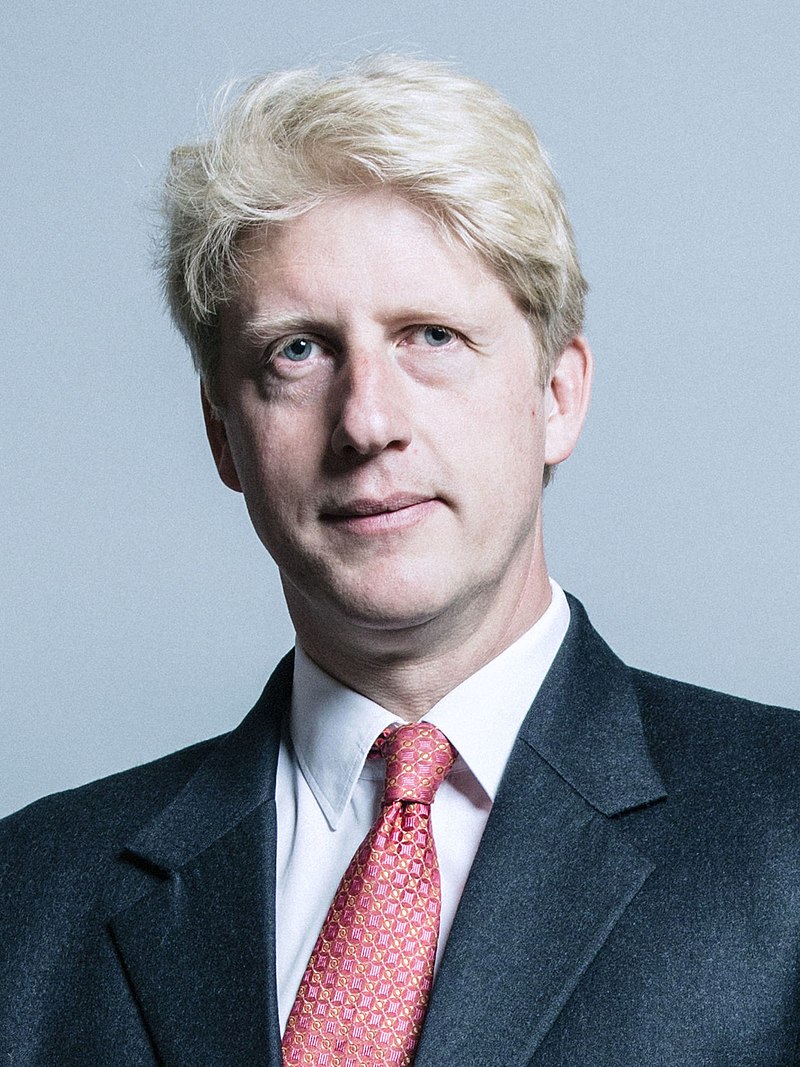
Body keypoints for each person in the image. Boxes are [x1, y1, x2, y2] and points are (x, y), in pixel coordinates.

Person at [1, 55, 798, 1067]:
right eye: (297, 351)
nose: (367, 421)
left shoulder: (781, 835)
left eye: (431, 335)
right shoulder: (30, 897)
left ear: (556, 395)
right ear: (221, 433)